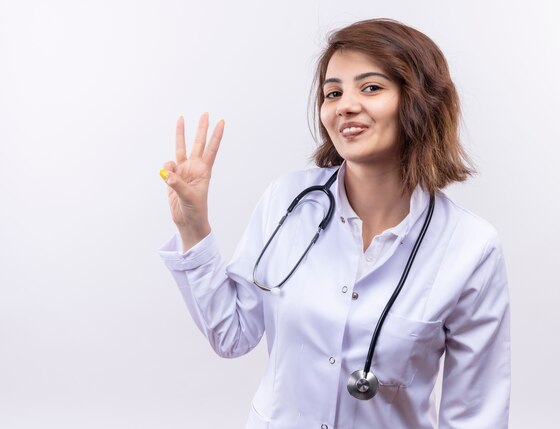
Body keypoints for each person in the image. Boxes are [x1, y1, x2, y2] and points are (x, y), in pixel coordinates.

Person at [158, 18, 510, 429]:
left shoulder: (470, 247)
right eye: (333, 92)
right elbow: (232, 335)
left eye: (371, 87)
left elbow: (475, 414)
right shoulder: (286, 202)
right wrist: (193, 225)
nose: (344, 104)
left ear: (419, 101)